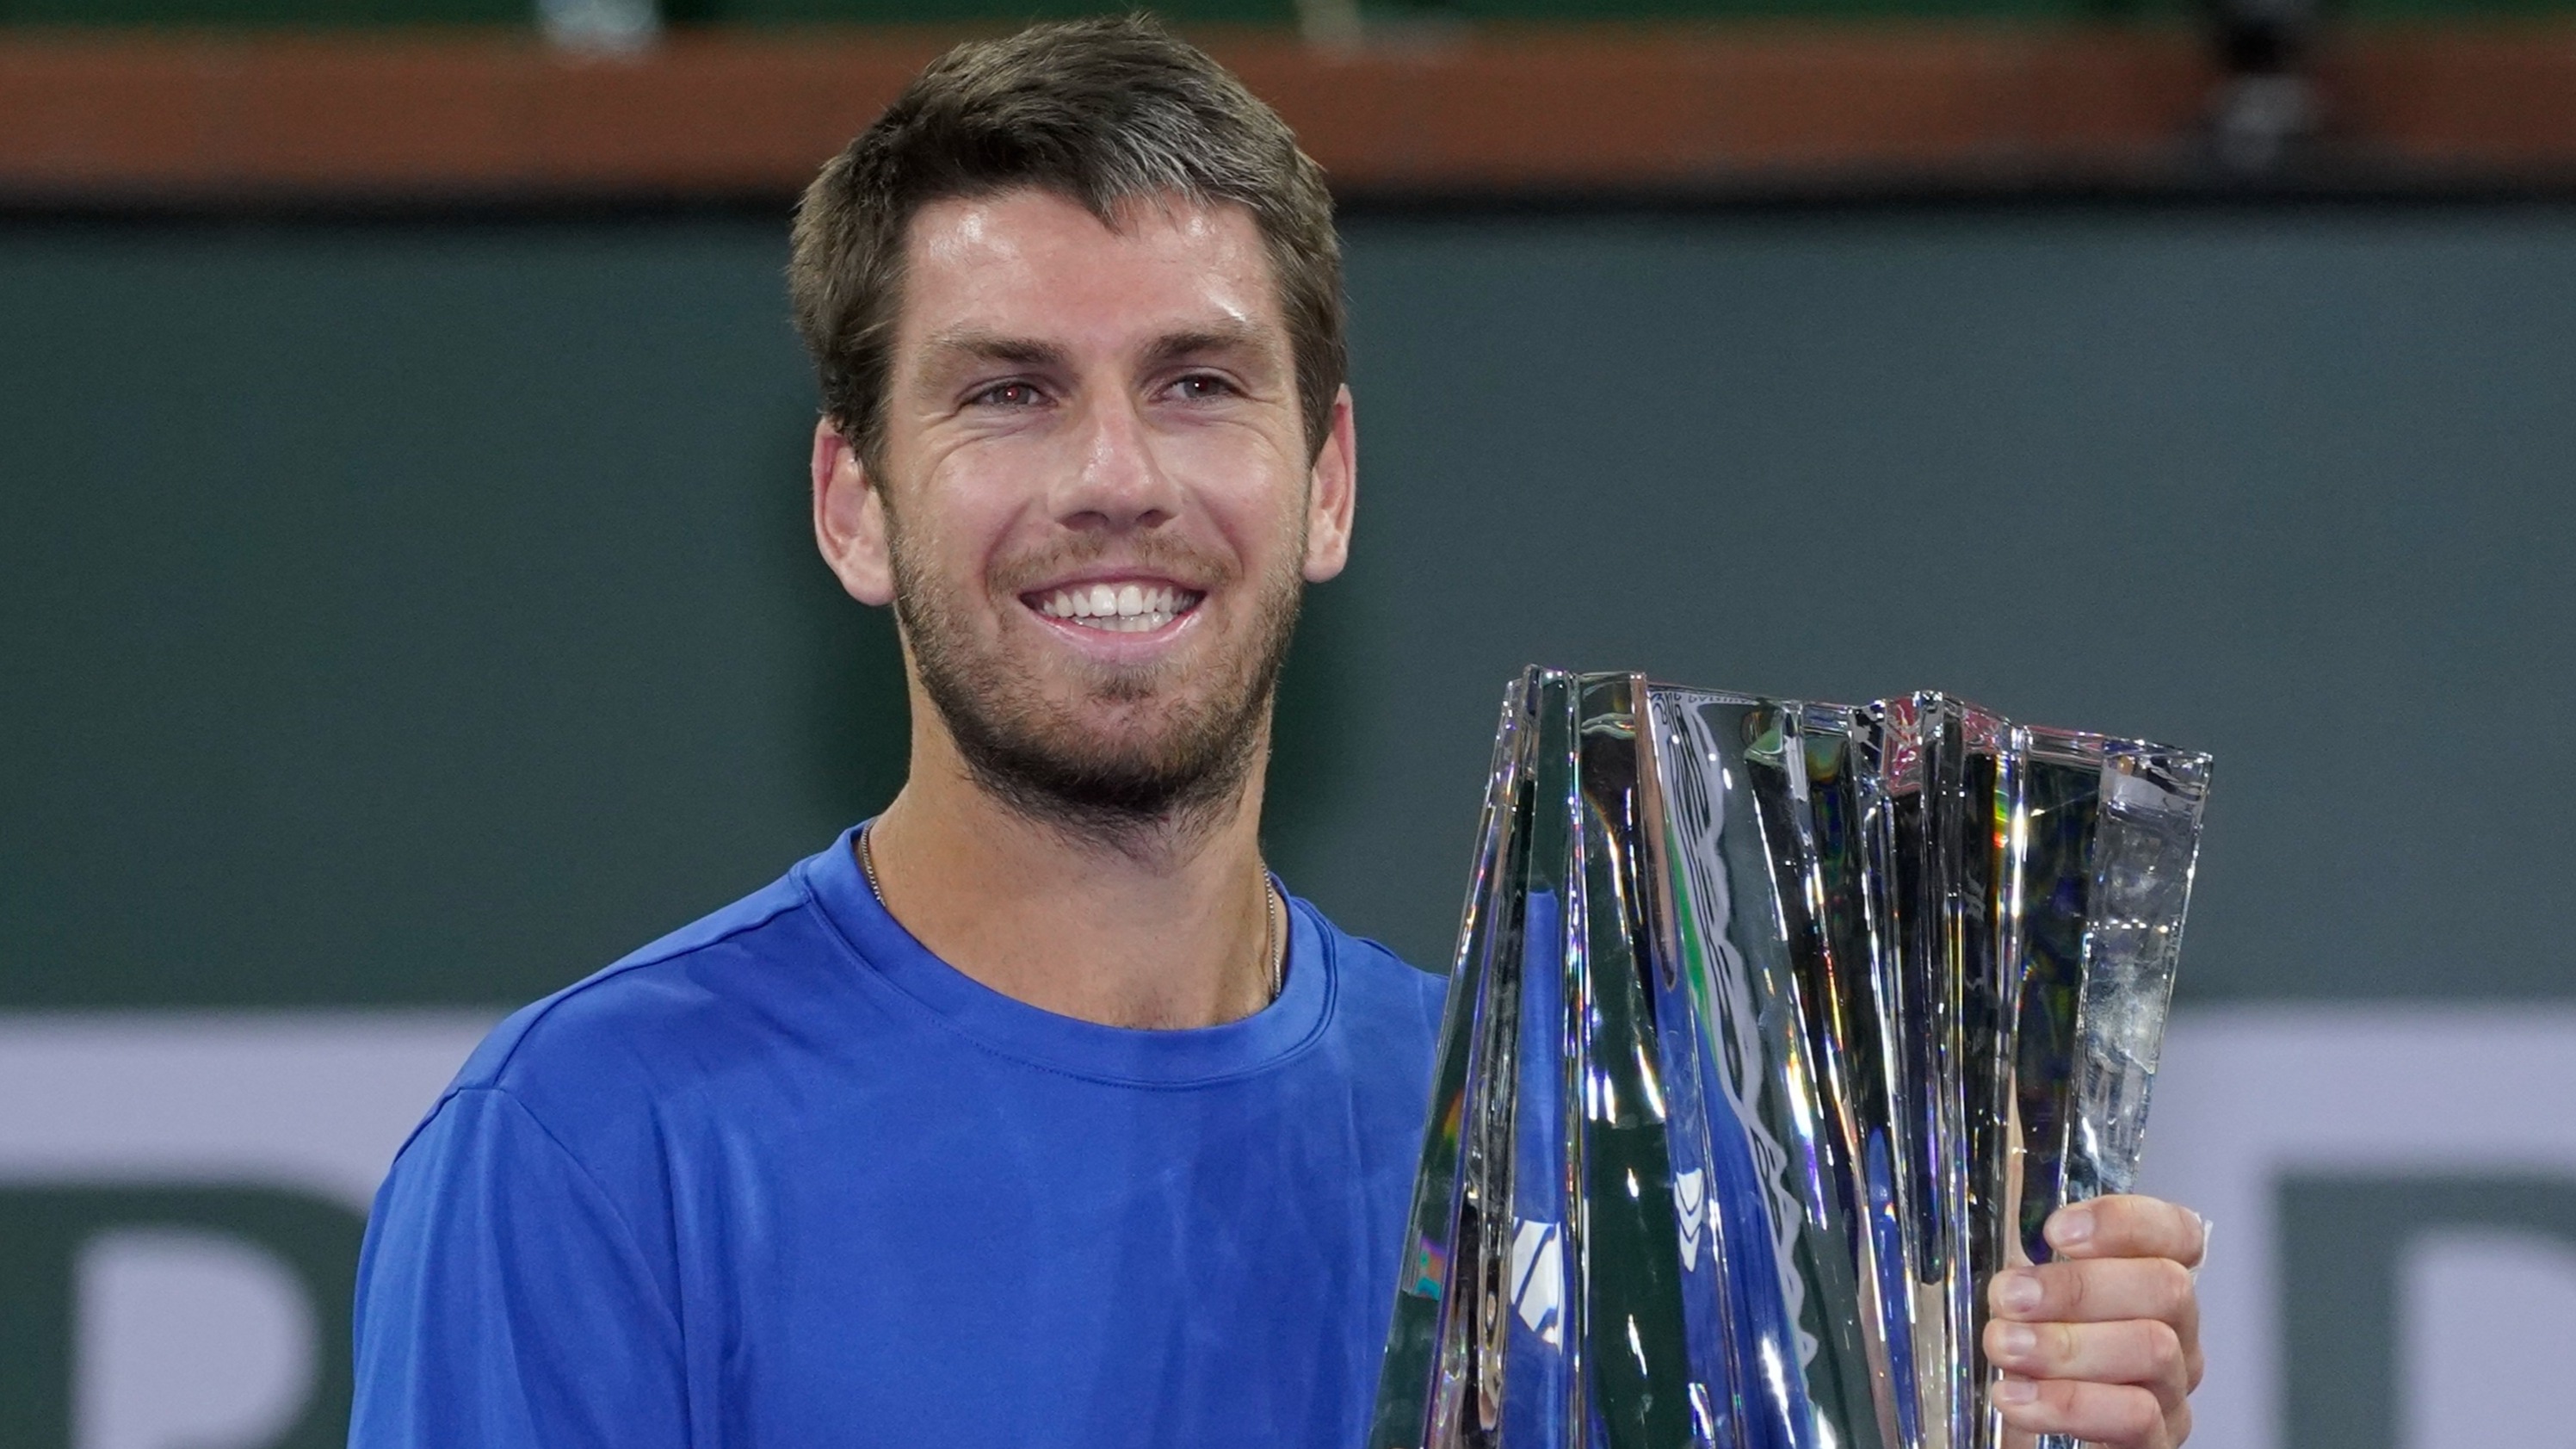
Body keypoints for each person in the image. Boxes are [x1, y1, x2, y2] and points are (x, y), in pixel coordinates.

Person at [348, 16, 2208, 1449]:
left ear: (1324, 483)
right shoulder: (588, 1151)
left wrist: (2022, 1416)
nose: (1114, 477)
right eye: (1007, 391)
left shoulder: (1587, 1156)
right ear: (852, 503)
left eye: (1198, 382)